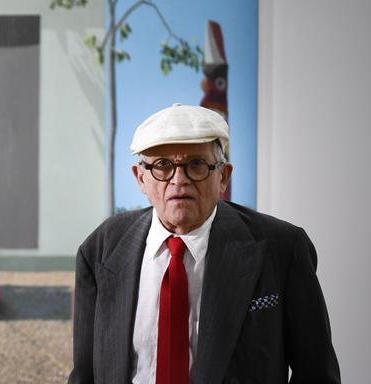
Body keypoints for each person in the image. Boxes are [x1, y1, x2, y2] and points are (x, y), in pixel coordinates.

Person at [69, 104, 340, 383]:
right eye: (163, 165)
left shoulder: (282, 248)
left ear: (223, 176)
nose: (179, 180)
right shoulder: (101, 248)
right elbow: (84, 374)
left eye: (196, 164)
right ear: (141, 178)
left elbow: (317, 373)